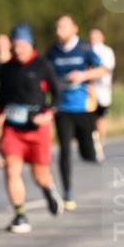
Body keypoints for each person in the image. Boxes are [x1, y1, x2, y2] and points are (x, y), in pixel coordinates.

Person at [0, 23, 64, 232]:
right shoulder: (7, 68)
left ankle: (48, 189)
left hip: (37, 129)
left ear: (30, 44)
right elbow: (0, 99)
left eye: (21, 46)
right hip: (13, 129)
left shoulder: (43, 64)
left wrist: (48, 114)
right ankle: (20, 215)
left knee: (39, 174)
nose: (18, 51)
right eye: (14, 47)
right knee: (11, 169)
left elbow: (58, 94)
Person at [47, 15, 107, 211]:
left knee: (86, 153)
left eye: (63, 27)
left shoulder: (84, 48)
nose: (59, 32)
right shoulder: (53, 53)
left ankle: (94, 143)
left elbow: (103, 70)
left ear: (74, 29)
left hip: (83, 107)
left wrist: (83, 75)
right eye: (57, 28)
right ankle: (68, 193)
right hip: (62, 108)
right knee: (64, 150)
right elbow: (46, 75)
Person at [89, 28, 116, 162]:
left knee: (100, 120)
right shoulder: (86, 50)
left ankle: (99, 146)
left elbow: (106, 69)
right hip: (89, 92)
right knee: (90, 121)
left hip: (102, 92)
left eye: (96, 37)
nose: (93, 40)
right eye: (91, 37)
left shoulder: (107, 51)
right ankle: (93, 145)